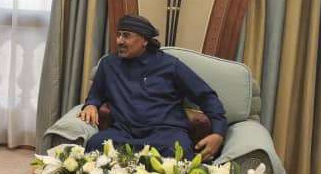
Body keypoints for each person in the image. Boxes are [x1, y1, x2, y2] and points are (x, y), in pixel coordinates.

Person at [79, 13, 227, 159]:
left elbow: (206, 97)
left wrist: (218, 133)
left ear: (144, 40)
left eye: (126, 36)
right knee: (95, 144)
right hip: (123, 133)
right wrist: (91, 104)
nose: (119, 41)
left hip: (165, 134)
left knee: (178, 151)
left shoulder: (170, 65)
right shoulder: (109, 65)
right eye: (118, 35)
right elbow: (96, 94)